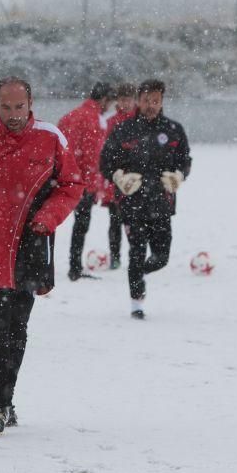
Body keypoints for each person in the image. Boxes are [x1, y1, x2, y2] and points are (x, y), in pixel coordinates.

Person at [0, 77, 85, 435]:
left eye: (19, 107)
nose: (13, 115)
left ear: (31, 104)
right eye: (6, 107)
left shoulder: (50, 138)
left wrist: (46, 218)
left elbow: (72, 185)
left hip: (30, 248)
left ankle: (7, 398)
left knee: (18, 328)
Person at [99, 79, 192, 320]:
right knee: (136, 252)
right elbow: (106, 162)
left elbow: (185, 160)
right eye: (147, 100)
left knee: (161, 257)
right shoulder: (124, 131)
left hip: (162, 204)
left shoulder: (173, 130)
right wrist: (119, 177)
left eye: (156, 101)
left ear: (161, 102)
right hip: (132, 204)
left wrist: (179, 175)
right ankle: (136, 303)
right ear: (139, 101)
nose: (151, 105)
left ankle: (138, 272)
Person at [56, 82, 116, 280]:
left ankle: (48, 265)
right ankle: (75, 267)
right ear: (104, 99)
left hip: (62, 177)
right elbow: (92, 157)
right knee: (81, 225)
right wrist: (92, 186)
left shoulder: (70, 115)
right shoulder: (94, 119)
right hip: (81, 181)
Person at [100, 82, 137, 269]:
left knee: (135, 221)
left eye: (129, 99)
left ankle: (136, 255)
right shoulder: (111, 122)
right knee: (115, 220)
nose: (125, 103)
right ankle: (115, 256)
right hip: (117, 179)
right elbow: (105, 153)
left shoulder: (141, 120)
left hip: (137, 179)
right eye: (122, 99)